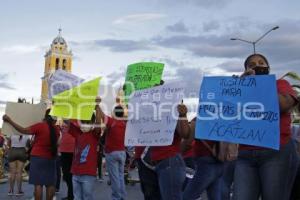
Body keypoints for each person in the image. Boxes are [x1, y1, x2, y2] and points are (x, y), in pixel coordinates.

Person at [233, 53, 299, 200]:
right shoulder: (239, 89)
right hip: (245, 155)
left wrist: (257, 86)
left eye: (261, 62)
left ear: (268, 68)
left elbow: (283, 104)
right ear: (245, 70)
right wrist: (240, 87)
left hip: (275, 152)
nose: (257, 65)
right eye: (251, 65)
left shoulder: (280, 84)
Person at [3, 109, 60, 200]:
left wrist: (10, 120)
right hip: (51, 159)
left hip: (38, 158)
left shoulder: (40, 126)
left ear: (45, 116)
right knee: (50, 184)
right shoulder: (56, 129)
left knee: (38, 184)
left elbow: (23, 130)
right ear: (55, 119)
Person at [67, 99, 102, 200]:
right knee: (77, 197)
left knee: (87, 197)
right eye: (83, 121)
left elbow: (98, 121)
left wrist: (97, 106)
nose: (85, 124)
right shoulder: (78, 132)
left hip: (88, 174)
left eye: (87, 122)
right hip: (75, 173)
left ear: (92, 123)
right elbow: (69, 120)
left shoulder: (94, 134)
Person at [183, 118, 223, 200]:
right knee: (215, 196)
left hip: (205, 162)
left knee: (188, 196)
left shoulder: (200, 119)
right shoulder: (223, 118)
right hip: (220, 161)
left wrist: (175, 154)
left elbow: (188, 142)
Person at [98, 100, 127, 200]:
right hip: (122, 152)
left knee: (114, 178)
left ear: (114, 113)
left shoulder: (112, 121)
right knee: (120, 176)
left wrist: (97, 104)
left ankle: (116, 197)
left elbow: (102, 115)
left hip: (112, 153)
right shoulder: (124, 124)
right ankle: (122, 196)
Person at [59, 123, 75, 200]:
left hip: (73, 151)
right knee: (66, 175)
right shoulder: (64, 121)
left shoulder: (75, 121)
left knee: (72, 175)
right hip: (64, 150)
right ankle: (70, 194)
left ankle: (71, 195)